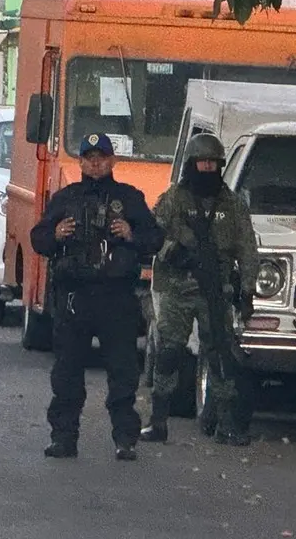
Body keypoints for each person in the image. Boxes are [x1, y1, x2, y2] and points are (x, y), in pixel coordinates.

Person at [31, 133, 163, 461]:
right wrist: (56, 234)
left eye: (101, 157)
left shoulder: (129, 198)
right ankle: (63, 438)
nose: (95, 163)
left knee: (122, 373)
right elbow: (39, 238)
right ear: (81, 162)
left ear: (112, 161)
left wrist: (131, 235)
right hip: (74, 296)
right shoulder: (66, 198)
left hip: (114, 297)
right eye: (89, 157)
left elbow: (155, 238)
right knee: (66, 373)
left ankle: (125, 439)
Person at [144, 133, 258, 446]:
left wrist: (246, 291)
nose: (207, 169)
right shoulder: (174, 199)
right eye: (202, 163)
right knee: (169, 352)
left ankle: (226, 424)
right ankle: (158, 421)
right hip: (177, 287)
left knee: (220, 354)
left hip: (215, 290)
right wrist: (173, 252)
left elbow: (248, 250)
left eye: (213, 164)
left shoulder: (233, 206)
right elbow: (150, 235)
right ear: (192, 164)